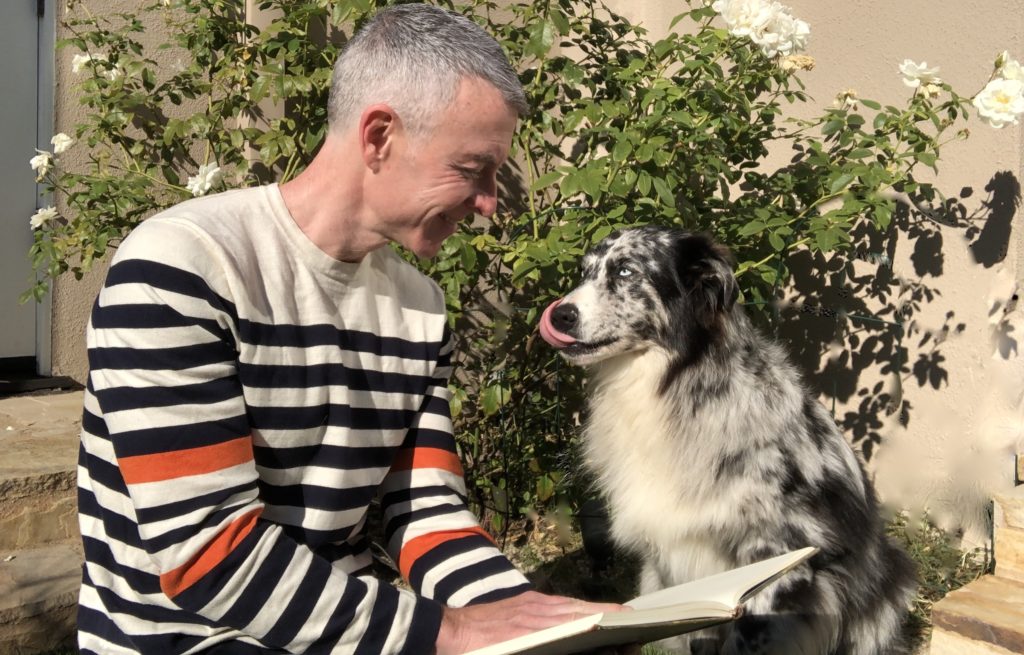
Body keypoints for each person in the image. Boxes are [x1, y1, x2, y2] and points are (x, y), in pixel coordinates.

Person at [75, 4, 628, 654]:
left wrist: (528, 618)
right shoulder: (185, 266)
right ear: (379, 136)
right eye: (472, 167)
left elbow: (421, 508)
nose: (487, 202)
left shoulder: (419, 308)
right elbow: (209, 553)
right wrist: (448, 632)